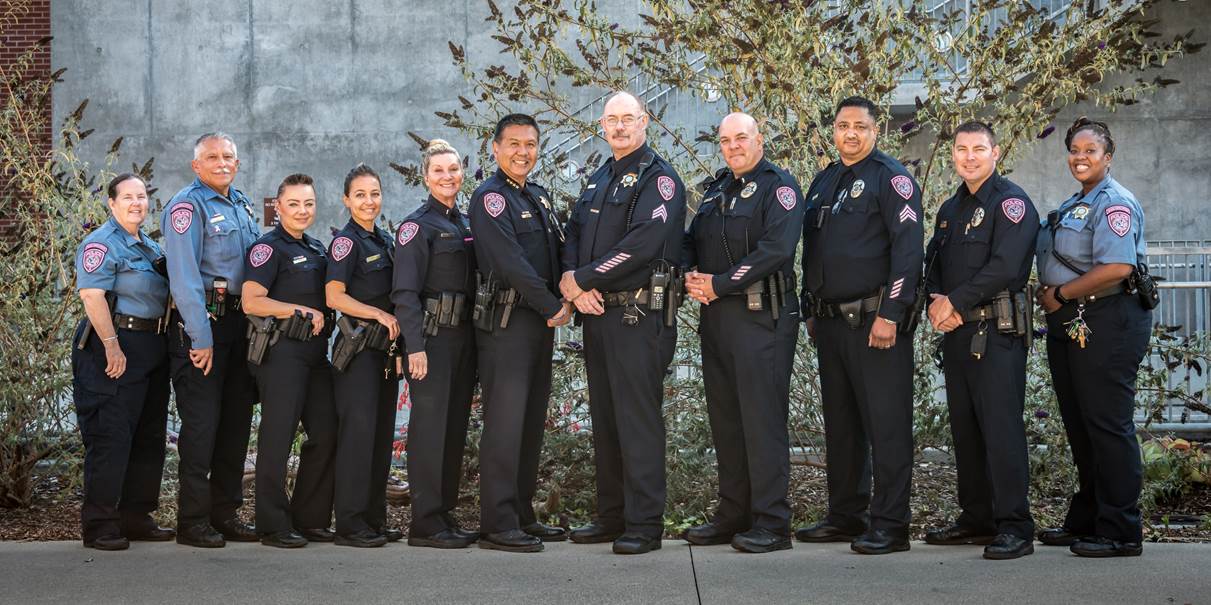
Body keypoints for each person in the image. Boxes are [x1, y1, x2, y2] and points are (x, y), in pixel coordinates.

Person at [796, 96, 923, 555]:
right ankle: (846, 515)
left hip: (876, 322)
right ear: (833, 130)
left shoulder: (892, 180)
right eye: (842, 125)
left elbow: (908, 251)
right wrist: (810, 309)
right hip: (831, 325)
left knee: (886, 425)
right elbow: (813, 252)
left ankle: (891, 525)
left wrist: (891, 312)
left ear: (876, 131)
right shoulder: (825, 180)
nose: (850, 133)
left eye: (860, 126)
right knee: (843, 426)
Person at [561, 91, 686, 555]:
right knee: (607, 420)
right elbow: (574, 232)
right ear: (601, 125)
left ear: (645, 121)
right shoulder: (598, 178)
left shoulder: (660, 180)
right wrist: (571, 281)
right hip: (598, 314)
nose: (619, 127)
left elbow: (644, 243)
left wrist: (581, 278)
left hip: (639, 317)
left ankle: (644, 524)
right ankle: (612, 515)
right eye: (611, 120)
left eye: (627, 119)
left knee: (637, 422)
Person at [681, 113, 803, 553]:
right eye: (725, 140)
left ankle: (772, 522)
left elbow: (777, 250)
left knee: (761, 420)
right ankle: (734, 514)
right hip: (717, 318)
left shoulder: (780, 188)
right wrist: (682, 272)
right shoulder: (717, 190)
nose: (733, 146)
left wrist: (719, 283)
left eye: (741, 138)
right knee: (727, 422)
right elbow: (691, 241)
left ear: (759, 140)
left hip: (762, 317)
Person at [1035, 117, 1151, 558]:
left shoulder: (1115, 203)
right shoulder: (1075, 202)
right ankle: (1088, 520)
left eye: (1090, 150)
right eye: (1074, 150)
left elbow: (1118, 267)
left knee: (1107, 425)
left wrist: (1061, 292)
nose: (1080, 157)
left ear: (1109, 156)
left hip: (1110, 320)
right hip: (1073, 322)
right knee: (1081, 427)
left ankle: (1121, 531)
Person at [923, 120, 1039, 560]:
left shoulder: (1011, 204)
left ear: (995, 154)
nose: (969, 157)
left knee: (1001, 430)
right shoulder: (950, 209)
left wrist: (952, 301)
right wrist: (937, 300)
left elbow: (1006, 267)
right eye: (961, 150)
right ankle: (976, 518)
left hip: (996, 333)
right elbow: (933, 260)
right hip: (958, 333)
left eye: (978, 149)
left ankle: (1015, 526)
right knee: (966, 430)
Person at [470, 114, 572, 553]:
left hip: (538, 326)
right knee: (506, 424)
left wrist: (570, 290)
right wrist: (554, 306)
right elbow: (512, 263)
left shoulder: (540, 197)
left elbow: (558, 252)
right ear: (495, 148)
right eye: (513, 143)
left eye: (530, 144)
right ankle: (497, 522)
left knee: (530, 423)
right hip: (508, 326)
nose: (522, 152)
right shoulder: (490, 199)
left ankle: (522, 514)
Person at [162, 133, 261, 547]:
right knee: (202, 427)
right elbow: (183, 277)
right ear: (196, 165)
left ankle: (225, 514)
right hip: (203, 325)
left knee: (236, 424)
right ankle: (193, 520)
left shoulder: (241, 204)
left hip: (240, 327)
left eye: (228, 157)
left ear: (236, 163)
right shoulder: (188, 207)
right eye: (212, 157)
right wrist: (199, 338)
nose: (222, 163)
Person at [71, 174, 173, 550]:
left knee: (148, 436)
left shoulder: (147, 246)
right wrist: (112, 346)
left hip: (151, 344)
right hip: (112, 345)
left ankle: (135, 516)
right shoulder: (101, 243)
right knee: (111, 436)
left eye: (142, 196)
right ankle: (100, 525)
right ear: (111, 204)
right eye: (127, 197)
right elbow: (93, 296)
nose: (136, 203)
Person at [241, 173, 338, 548]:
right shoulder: (269, 249)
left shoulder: (316, 248)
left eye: (308, 203)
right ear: (277, 207)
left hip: (315, 358)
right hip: (281, 355)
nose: (302, 210)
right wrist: (300, 309)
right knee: (277, 439)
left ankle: (309, 518)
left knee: (327, 432)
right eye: (294, 203)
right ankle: (272, 524)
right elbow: (252, 300)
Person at [391, 141, 479, 549]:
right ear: (426, 177)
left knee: (453, 429)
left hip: (463, 338)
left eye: (454, 169)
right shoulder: (416, 227)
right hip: (431, 340)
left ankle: (442, 514)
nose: (448, 177)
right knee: (428, 431)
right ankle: (424, 522)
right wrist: (415, 347)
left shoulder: (465, 223)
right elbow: (405, 294)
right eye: (439, 170)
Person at [326, 164, 401, 548]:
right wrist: (378, 313)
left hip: (384, 356)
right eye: (360, 195)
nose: (368, 201)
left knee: (379, 439)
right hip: (357, 354)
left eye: (374, 194)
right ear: (346, 200)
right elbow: (334, 296)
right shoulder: (346, 243)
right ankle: (350, 524)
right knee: (358, 438)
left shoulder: (384, 240)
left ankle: (373, 519)